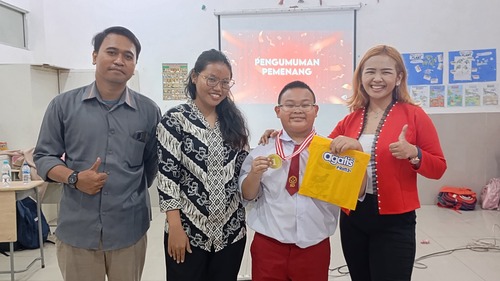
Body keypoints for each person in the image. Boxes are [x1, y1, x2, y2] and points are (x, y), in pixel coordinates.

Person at [33, 26, 161, 281]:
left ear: (135, 64)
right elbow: (44, 157)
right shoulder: (63, 105)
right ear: (94, 56)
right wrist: (74, 178)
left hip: (129, 231)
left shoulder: (148, 111)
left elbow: (151, 165)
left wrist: (127, 191)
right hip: (78, 231)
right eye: (111, 52)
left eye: (128, 56)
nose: (119, 60)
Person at [328, 45, 447, 281]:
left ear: (399, 77)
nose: (377, 79)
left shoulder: (414, 116)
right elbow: (323, 155)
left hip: (395, 221)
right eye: (370, 72)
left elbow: (439, 168)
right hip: (353, 218)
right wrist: (280, 137)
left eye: (386, 72)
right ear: (361, 77)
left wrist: (414, 153)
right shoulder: (349, 119)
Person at [240, 81, 363, 281]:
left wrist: (356, 155)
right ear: (278, 111)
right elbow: (247, 194)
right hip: (269, 246)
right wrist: (254, 174)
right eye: (289, 105)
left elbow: (356, 193)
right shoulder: (263, 150)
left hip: (314, 247)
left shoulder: (332, 151)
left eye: (305, 105)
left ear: (315, 110)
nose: (298, 110)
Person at [156, 49, 249, 281]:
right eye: (212, 79)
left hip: (230, 233)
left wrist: (269, 143)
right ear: (195, 77)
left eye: (225, 82)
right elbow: (168, 178)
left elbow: (242, 169)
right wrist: (175, 228)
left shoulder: (233, 122)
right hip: (188, 233)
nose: (218, 87)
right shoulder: (175, 119)